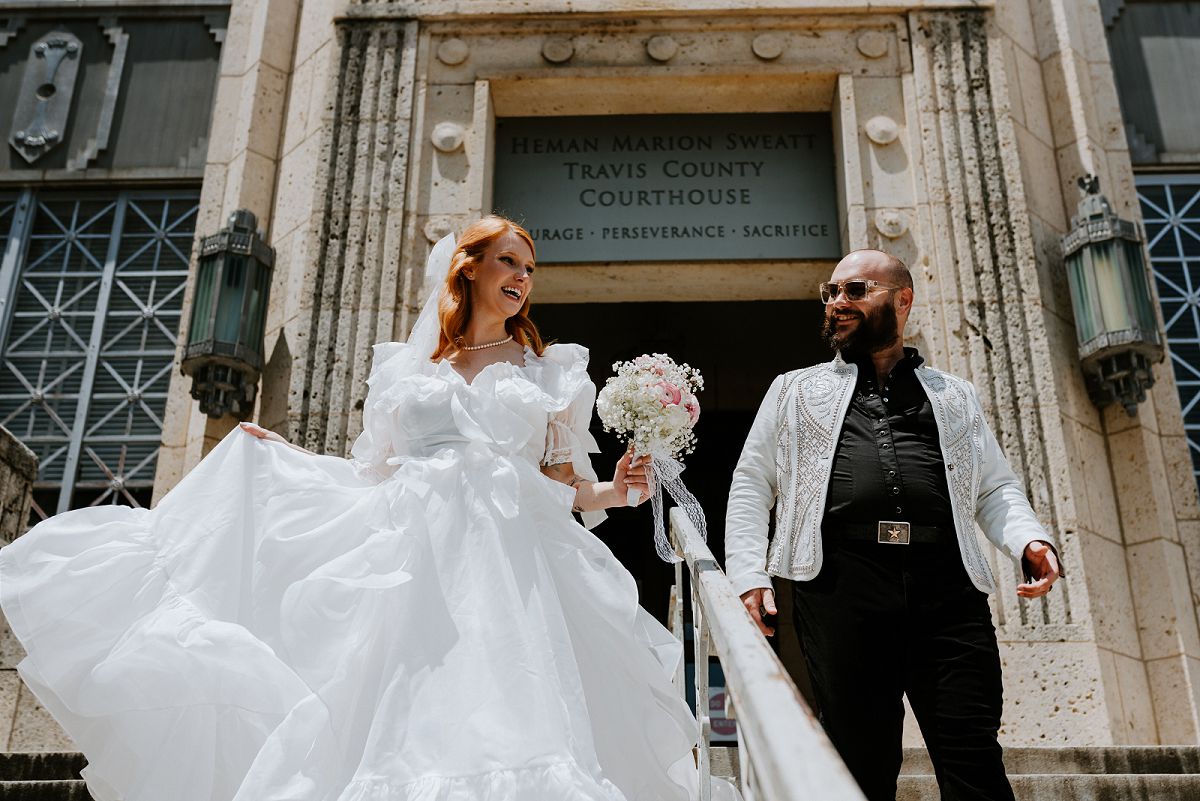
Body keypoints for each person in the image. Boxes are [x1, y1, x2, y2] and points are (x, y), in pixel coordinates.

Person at [0, 216, 735, 801]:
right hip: (410, 562)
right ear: (468, 267)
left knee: (512, 721)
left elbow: (567, 482)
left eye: (530, 268)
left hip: (513, 569)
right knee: (393, 725)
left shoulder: (550, 371)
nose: (522, 277)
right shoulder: (408, 371)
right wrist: (277, 454)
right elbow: (370, 473)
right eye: (508, 261)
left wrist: (623, 489)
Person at [724, 249, 1062, 801]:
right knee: (860, 759)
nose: (837, 303)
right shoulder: (792, 389)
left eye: (854, 290)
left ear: (902, 300)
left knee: (972, 755)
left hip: (947, 588)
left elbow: (994, 486)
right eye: (829, 292)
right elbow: (751, 483)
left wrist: (1029, 540)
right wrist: (748, 572)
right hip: (840, 587)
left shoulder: (955, 395)